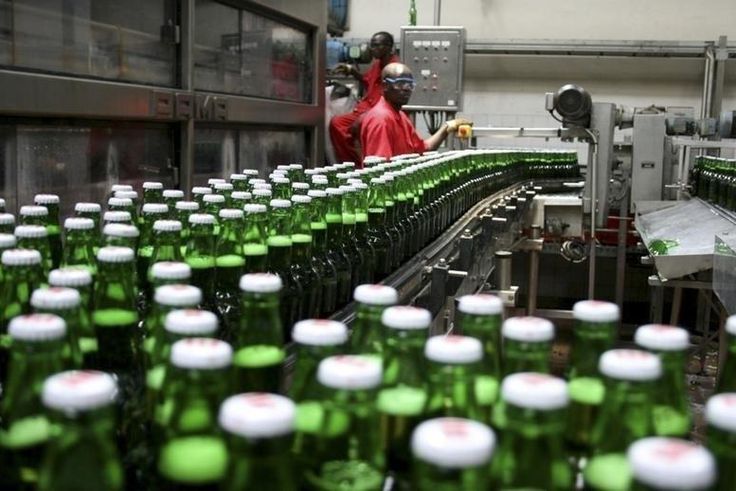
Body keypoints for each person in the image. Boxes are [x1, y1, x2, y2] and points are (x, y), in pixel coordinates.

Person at [360, 62, 471, 161]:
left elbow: (423, 150)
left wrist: (447, 127)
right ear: (385, 86)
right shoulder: (381, 119)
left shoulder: (401, 116)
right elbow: (381, 169)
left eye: (410, 84)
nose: (407, 88)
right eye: (400, 83)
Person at [328, 32, 400, 164]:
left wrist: (367, 116)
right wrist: (351, 70)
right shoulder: (377, 64)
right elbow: (367, 80)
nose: (372, 49)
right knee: (337, 124)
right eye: (371, 45)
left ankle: (361, 167)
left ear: (389, 47)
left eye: (376, 45)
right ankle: (351, 165)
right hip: (365, 109)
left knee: (351, 128)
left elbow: (393, 98)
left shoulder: (395, 68)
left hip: (378, 113)